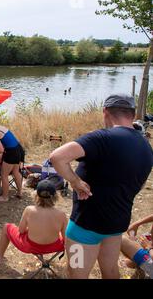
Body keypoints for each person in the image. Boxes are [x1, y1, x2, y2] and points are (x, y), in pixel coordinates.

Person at [49, 94, 153, 279]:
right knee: (110, 270)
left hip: (83, 228)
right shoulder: (145, 146)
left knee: (76, 273)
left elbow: (57, 157)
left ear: (105, 112)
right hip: (115, 225)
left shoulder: (102, 138)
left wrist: (76, 182)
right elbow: (140, 183)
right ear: (133, 113)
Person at [0, 180, 68, 264]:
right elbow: (66, 239)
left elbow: (21, 230)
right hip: (54, 246)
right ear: (55, 196)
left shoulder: (29, 210)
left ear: (36, 195)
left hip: (31, 246)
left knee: (6, 227)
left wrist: (32, 229)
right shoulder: (61, 215)